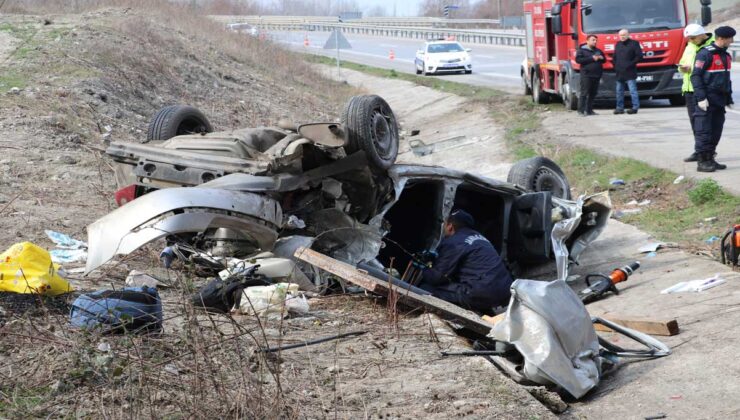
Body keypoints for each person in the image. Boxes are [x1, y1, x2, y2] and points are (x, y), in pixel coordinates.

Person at [417, 210, 513, 314]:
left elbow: (437, 277)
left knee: (426, 288)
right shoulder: (482, 239)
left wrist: (424, 268)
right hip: (505, 294)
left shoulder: (453, 242)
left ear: (450, 226)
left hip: (480, 292)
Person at [690, 26, 735, 172]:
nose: (732, 41)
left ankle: (710, 158)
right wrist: (701, 97)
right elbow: (695, 76)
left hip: (719, 100)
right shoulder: (705, 54)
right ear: (721, 38)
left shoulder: (726, 55)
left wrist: (729, 98)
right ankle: (702, 162)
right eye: (730, 38)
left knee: (716, 130)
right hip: (707, 99)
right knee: (704, 131)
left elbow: (726, 78)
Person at [678, 24, 714, 163]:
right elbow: (682, 63)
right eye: (688, 39)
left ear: (701, 35)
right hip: (688, 89)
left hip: (703, 91)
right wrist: (683, 68)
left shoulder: (711, 47)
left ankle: (708, 152)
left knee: (706, 124)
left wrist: (692, 68)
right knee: (695, 123)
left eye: (692, 38)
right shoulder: (690, 46)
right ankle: (698, 150)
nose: (690, 41)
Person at [613, 29, 643, 114]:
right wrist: (615, 66)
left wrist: (630, 64)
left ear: (628, 35)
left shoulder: (634, 43)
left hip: (630, 71)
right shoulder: (618, 44)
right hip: (619, 72)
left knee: (632, 91)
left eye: (624, 35)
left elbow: (639, 56)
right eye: (620, 35)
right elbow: (614, 57)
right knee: (619, 91)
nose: (622, 37)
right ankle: (619, 108)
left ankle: (635, 107)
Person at [575, 34, 605, 116]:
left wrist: (602, 58)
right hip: (586, 75)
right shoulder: (581, 50)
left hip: (596, 75)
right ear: (587, 41)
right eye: (593, 40)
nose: (595, 42)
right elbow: (578, 60)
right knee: (584, 93)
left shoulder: (598, 50)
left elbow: (604, 59)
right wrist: (592, 58)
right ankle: (580, 111)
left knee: (593, 93)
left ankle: (589, 110)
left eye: (596, 40)